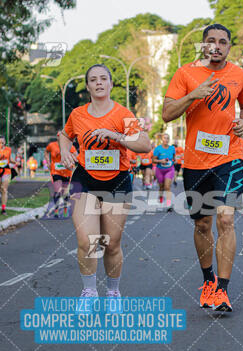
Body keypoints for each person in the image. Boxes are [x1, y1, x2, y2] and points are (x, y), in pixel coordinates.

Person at [162, 23, 243, 312]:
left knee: (226, 220)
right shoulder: (185, 74)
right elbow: (166, 114)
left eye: (223, 41)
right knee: (202, 223)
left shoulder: (239, 75)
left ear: (229, 46)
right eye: (211, 41)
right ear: (203, 45)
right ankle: (207, 280)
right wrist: (193, 96)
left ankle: (223, 291)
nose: (216, 45)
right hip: (195, 162)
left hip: (229, 159)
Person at [59, 64, 151, 300]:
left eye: (103, 79)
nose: (98, 83)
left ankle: (113, 291)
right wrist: (65, 151)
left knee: (111, 244)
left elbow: (143, 145)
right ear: (88, 86)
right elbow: (64, 135)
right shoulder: (78, 114)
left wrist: (116, 136)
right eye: (93, 79)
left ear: (110, 84)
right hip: (85, 181)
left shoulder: (123, 115)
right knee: (86, 240)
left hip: (117, 183)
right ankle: (89, 290)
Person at [45, 134, 76, 218]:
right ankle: (56, 209)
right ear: (57, 137)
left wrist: (71, 162)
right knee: (58, 190)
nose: (60, 138)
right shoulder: (52, 145)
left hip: (66, 172)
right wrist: (47, 161)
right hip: (56, 171)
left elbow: (76, 156)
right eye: (59, 136)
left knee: (65, 192)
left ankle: (65, 208)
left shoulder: (70, 146)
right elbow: (46, 151)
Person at [153, 133, 175, 212]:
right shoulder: (157, 149)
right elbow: (153, 160)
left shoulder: (172, 148)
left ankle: (169, 204)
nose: (166, 139)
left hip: (169, 170)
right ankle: (161, 197)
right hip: (160, 170)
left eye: (167, 138)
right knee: (161, 187)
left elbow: (174, 158)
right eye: (164, 138)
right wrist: (160, 161)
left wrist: (172, 162)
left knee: (167, 187)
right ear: (162, 139)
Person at [0, 136, 15, 215]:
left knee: (4, 189)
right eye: (0, 142)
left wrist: (15, 162)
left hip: (6, 171)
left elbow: (9, 159)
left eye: (2, 142)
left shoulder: (8, 149)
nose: (1, 144)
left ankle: (3, 209)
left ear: (5, 142)